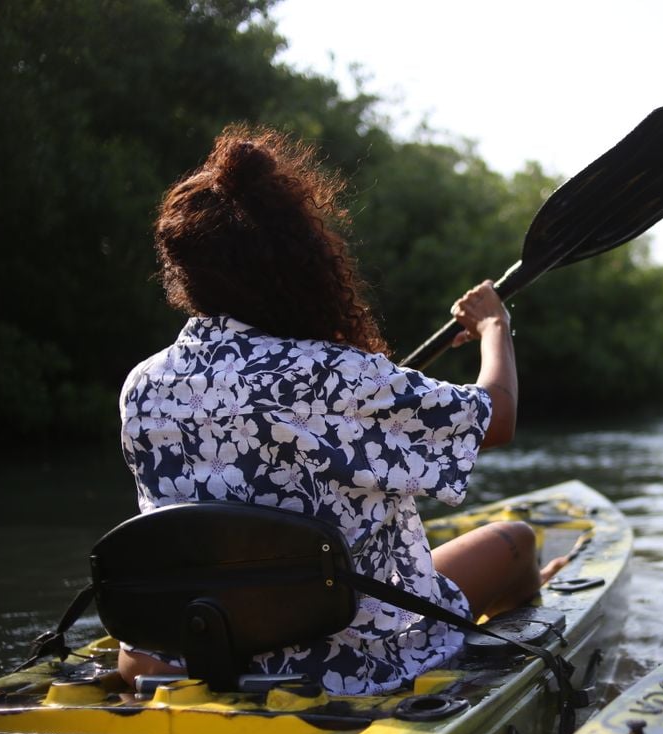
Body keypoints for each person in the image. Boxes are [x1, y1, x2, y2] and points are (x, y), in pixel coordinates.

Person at [117, 125, 566, 694]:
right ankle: (517, 630)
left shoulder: (143, 383)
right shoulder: (338, 374)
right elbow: (496, 417)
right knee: (516, 541)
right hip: (341, 661)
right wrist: (494, 327)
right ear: (295, 260)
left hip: (186, 652)